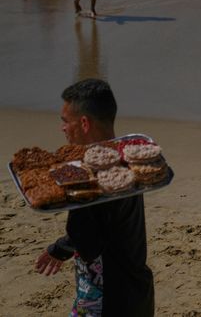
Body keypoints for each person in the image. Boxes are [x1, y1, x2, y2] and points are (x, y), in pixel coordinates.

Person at [35, 78, 155, 316]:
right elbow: (104, 226)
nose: (63, 129)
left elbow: (87, 240)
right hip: (136, 289)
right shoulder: (124, 160)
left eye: (65, 122)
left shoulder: (90, 178)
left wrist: (58, 248)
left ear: (84, 123)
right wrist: (62, 248)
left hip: (107, 300)